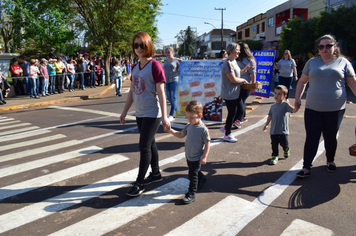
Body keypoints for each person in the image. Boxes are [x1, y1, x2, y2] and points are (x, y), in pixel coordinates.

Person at [294, 34, 356, 178]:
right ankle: (306, 166)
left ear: (335, 47)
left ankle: (330, 161)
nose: (324, 49)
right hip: (312, 108)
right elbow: (302, 81)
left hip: (335, 109)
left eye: (328, 46)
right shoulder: (312, 62)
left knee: (330, 136)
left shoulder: (343, 62)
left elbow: (352, 83)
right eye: (321, 46)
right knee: (312, 137)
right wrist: (297, 97)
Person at [120, 31, 170, 197]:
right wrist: (125, 111)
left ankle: (139, 182)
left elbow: (161, 93)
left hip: (152, 112)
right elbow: (132, 92)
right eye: (136, 45)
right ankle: (155, 173)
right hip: (140, 113)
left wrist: (164, 116)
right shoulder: (134, 67)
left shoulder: (155, 65)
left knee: (144, 147)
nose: (139, 48)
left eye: (142, 45)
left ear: (148, 45)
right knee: (151, 144)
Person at [167, 100, 210, 204]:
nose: (189, 119)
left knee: (192, 175)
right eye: (188, 117)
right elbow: (181, 134)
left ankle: (191, 193)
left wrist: (204, 156)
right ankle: (202, 179)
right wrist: (171, 130)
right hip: (189, 155)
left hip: (196, 157)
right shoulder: (189, 126)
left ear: (199, 115)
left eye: (191, 117)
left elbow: (208, 143)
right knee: (194, 171)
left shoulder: (203, 129)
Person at [220, 43, 250, 142]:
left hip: (235, 92)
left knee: (240, 111)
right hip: (229, 93)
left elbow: (236, 73)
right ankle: (227, 134)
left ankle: (226, 128)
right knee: (232, 113)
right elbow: (233, 79)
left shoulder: (234, 61)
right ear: (231, 50)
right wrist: (243, 80)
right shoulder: (228, 63)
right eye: (237, 50)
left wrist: (244, 70)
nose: (239, 52)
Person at [263, 85, 297, 165]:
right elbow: (270, 116)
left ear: (284, 96)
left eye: (279, 94)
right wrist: (266, 124)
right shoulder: (272, 106)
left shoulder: (285, 104)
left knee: (283, 143)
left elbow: (293, 110)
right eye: (275, 93)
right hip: (274, 130)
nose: (276, 96)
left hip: (283, 130)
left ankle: (286, 149)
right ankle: (275, 156)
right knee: (274, 144)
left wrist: (297, 107)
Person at [236, 42, 257, 126]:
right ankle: (243, 116)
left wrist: (253, 85)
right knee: (242, 101)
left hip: (245, 84)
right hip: (237, 83)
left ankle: (239, 118)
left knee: (240, 101)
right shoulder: (237, 59)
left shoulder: (249, 60)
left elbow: (253, 74)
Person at [163, 46, 180, 121]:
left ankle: (171, 115)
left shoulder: (176, 60)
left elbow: (181, 69)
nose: (167, 54)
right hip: (167, 81)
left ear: (173, 52)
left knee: (173, 97)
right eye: (166, 52)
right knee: (169, 98)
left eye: (169, 52)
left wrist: (182, 62)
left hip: (174, 80)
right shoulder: (165, 60)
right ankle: (178, 110)